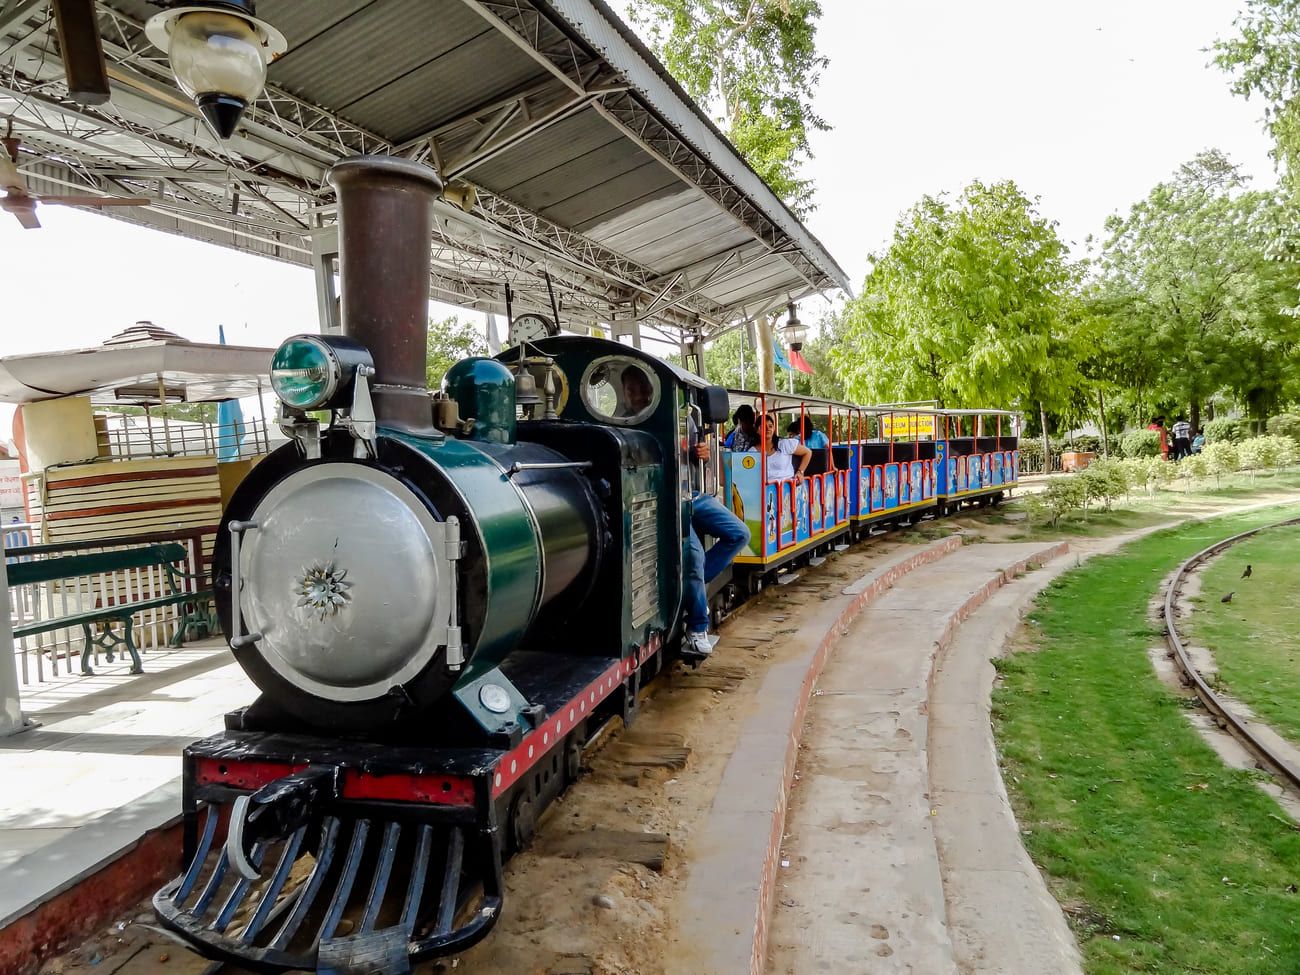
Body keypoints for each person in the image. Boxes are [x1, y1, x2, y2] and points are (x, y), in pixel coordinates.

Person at [683, 409, 750, 660]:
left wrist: (703, 453)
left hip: (692, 493)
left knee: (739, 533)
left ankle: (693, 585)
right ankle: (698, 627)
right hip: (669, 501)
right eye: (631, 388)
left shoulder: (685, 419)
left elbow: (703, 456)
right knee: (694, 557)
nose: (635, 392)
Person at [759, 412, 812, 481]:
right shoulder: (752, 451)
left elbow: (808, 452)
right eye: (763, 426)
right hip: (763, 488)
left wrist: (800, 472)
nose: (767, 429)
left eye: (770, 426)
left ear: (774, 428)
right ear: (757, 429)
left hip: (786, 487)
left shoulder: (784, 444)